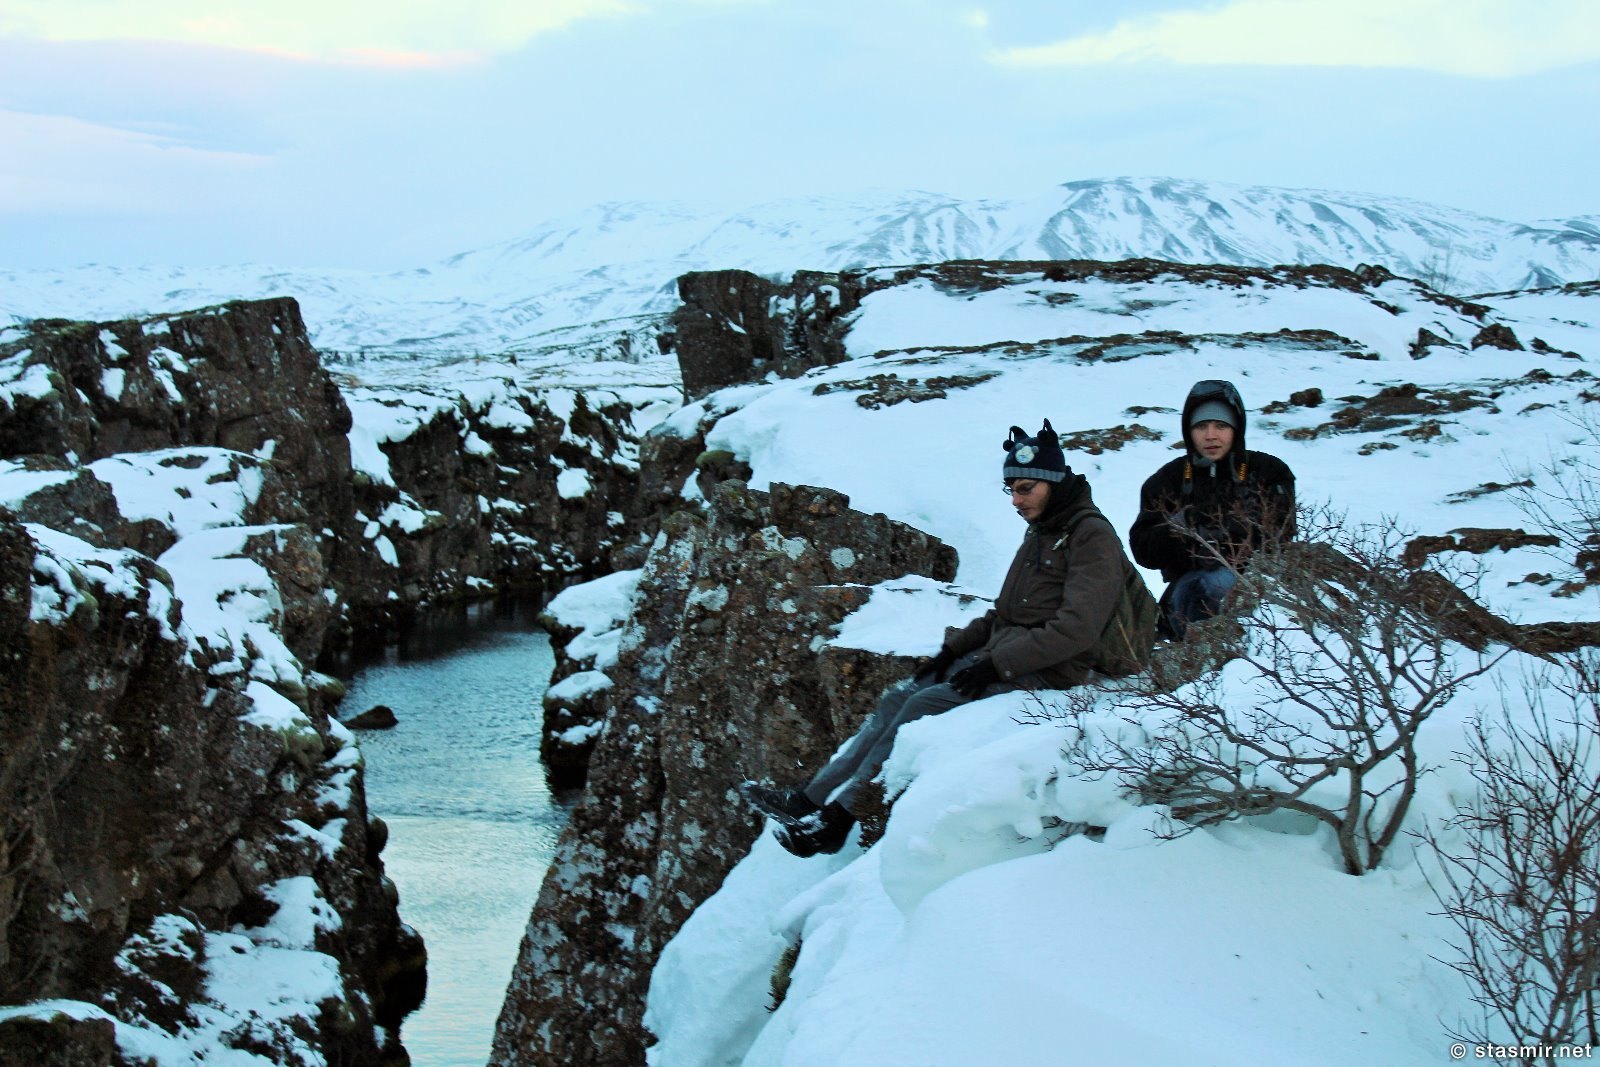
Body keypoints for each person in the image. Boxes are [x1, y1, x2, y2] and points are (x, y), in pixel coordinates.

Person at [741, 419, 1128, 857]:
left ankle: (839, 818)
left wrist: (996, 666)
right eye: (1011, 490)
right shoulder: (1043, 531)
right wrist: (951, 652)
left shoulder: (1091, 535)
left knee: (920, 706)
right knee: (898, 697)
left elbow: (1078, 630)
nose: (1016, 501)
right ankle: (808, 800)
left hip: (1050, 672)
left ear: (1053, 482)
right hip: (1005, 657)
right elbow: (1004, 613)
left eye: (1025, 489)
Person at [1129, 379, 1296, 640]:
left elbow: (1280, 535)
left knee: (1213, 584)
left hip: (1259, 583)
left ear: (1236, 428)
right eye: (1201, 426)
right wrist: (1182, 529)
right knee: (1199, 587)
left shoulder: (1268, 472)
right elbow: (1144, 550)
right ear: (1188, 430)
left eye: (1221, 425)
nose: (1210, 435)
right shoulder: (1168, 481)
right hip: (1187, 588)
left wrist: (1220, 531)